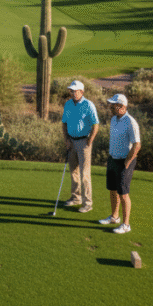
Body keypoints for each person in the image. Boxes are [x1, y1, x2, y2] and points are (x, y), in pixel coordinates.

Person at [98, 93, 141, 234]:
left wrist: (127, 161)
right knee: (112, 190)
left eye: (113, 105)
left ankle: (126, 224)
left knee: (123, 193)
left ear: (122, 107)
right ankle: (114, 217)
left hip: (124, 161)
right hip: (112, 159)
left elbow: (137, 145)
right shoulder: (114, 120)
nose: (110, 107)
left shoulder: (131, 122)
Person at [61, 80, 99, 213]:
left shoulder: (89, 105)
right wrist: (66, 139)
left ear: (81, 92)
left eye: (75, 91)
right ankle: (76, 197)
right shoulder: (68, 104)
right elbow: (64, 123)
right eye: (71, 91)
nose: (73, 93)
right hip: (71, 142)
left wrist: (90, 139)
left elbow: (95, 124)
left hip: (84, 143)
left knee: (84, 174)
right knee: (73, 172)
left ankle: (87, 202)